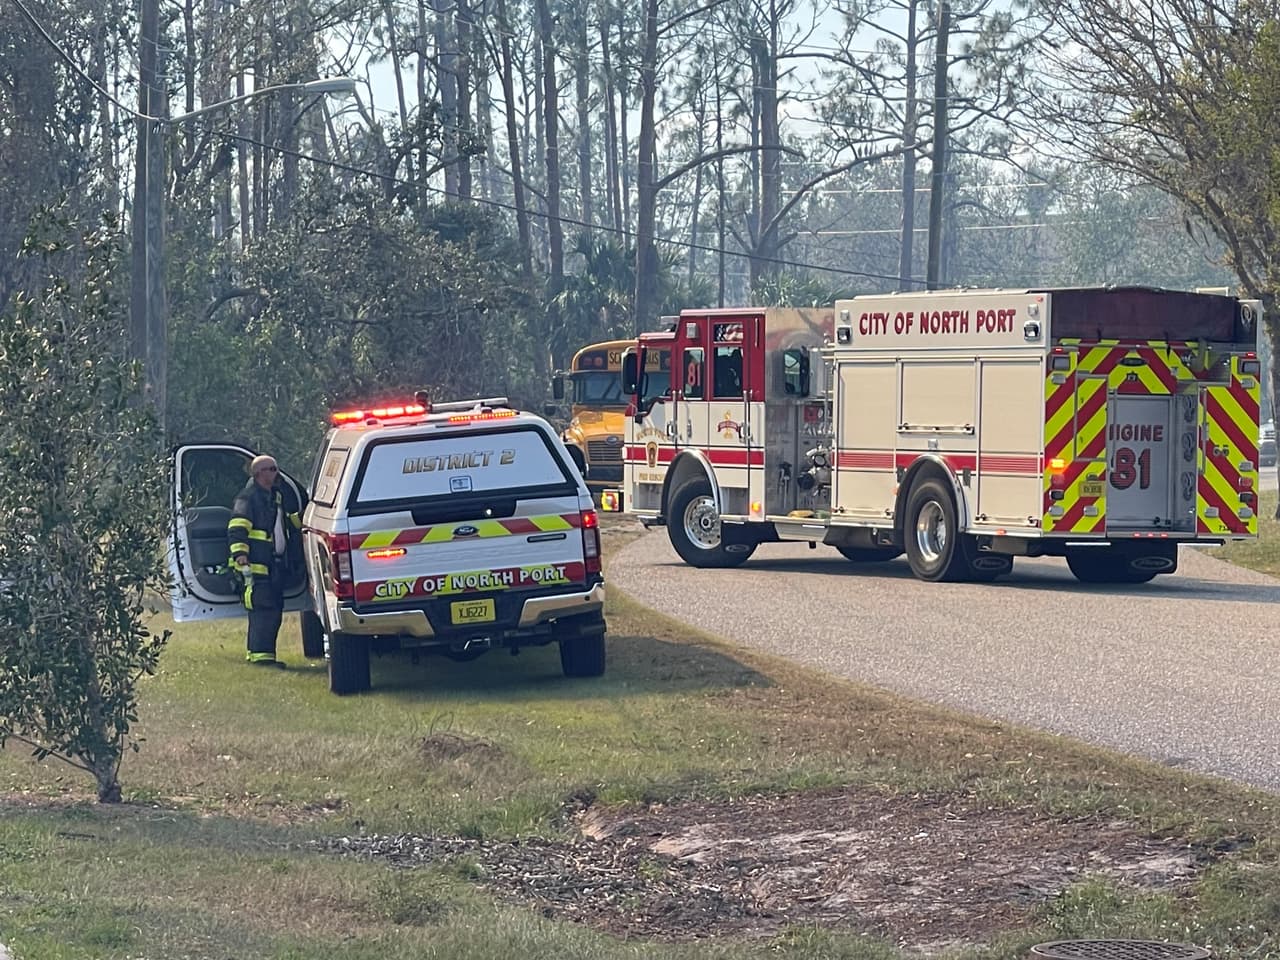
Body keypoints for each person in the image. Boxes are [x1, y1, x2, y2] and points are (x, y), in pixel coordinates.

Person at [226, 454, 303, 668]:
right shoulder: (248, 498)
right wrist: (241, 555)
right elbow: (237, 528)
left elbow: (286, 522)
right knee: (264, 610)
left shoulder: (274, 497)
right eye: (272, 469)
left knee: (272, 609)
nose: (276, 473)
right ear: (259, 473)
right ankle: (262, 658)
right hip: (256, 565)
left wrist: (305, 519)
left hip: (273, 564)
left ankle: (258, 654)